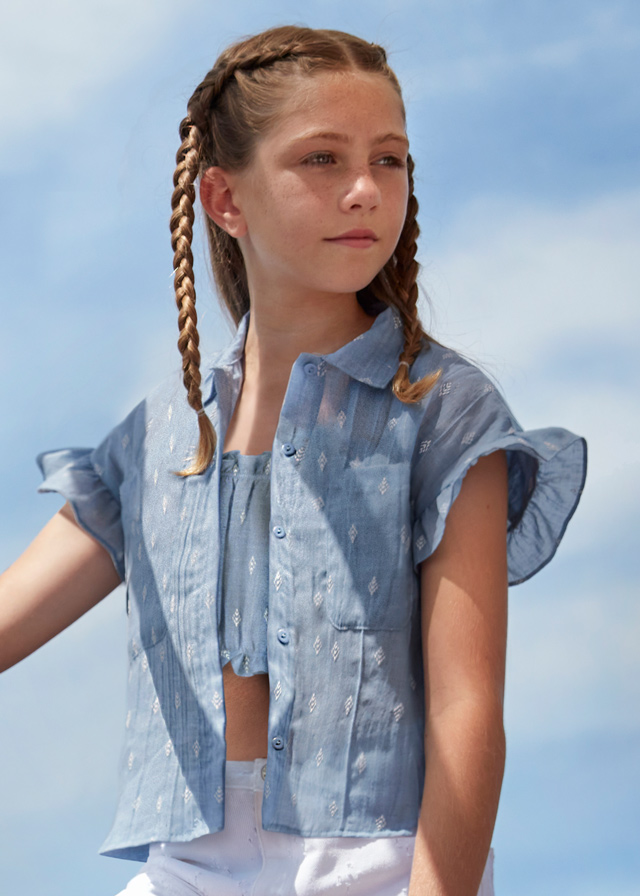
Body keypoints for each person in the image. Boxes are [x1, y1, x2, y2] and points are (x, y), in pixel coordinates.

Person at [0, 25, 586, 896]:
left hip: (380, 863)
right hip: (187, 868)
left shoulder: (443, 410)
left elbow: (466, 709)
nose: (365, 190)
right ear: (224, 200)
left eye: (389, 160)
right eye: (322, 159)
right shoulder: (161, 437)